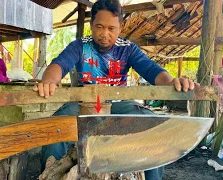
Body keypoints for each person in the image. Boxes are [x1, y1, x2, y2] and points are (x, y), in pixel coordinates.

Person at [34, 0, 199, 179]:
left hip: (119, 105)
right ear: (91, 25)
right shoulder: (80, 46)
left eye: (111, 28)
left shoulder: (128, 49)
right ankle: (49, 175)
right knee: (55, 128)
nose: (105, 34)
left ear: (120, 27)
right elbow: (59, 64)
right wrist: (49, 81)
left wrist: (172, 82)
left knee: (155, 129)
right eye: (99, 27)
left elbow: (152, 70)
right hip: (84, 105)